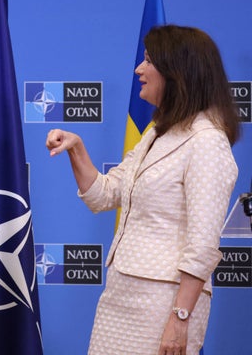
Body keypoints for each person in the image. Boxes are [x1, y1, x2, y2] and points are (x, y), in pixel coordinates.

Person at [46, 25, 239, 355]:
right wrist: (76, 148)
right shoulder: (157, 134)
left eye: (149, 60)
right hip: (122, 292)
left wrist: (180, 318)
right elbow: (105, 195)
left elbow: (204, 244)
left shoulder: (207, 142)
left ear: (176, 71)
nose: (139, 69)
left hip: (164, 303)